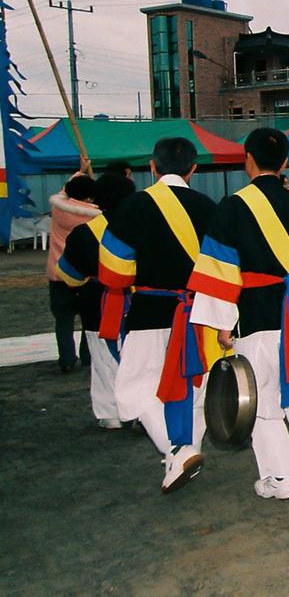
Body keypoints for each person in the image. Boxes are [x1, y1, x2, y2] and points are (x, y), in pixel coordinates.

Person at [189, 127, 289, 500]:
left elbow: (219, 273)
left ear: (248, 160)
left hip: (254, 314)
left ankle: (281, 480)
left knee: (263, 399)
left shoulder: (232, 207)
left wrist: (223, 326)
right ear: (285, 162)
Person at [99, 138, 216, 493]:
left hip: (150, 310)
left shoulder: (133, 206)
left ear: (152, 166)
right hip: (200, 312)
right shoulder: (209, 207)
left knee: (135, 389)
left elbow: (113, 274)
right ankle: (181, 454)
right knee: (194, 390)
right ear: (193, 169)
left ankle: (178, 451)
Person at [57, 173, 137, 428]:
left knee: (104, 359)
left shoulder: (84, 234)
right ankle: (140, 410)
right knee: (143, 359)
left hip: (97, 302)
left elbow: (69, 275)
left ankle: (111, 413)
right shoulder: (144, 228)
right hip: (140, 301)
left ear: (98, 200)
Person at [47, 165, 100, 373]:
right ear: (89, 197)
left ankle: (67, 359)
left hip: (58, 273)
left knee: (63, 320)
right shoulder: (95, 214)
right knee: (89, 320)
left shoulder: (58, 207)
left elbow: (64, 191)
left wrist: (80, 170)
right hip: (86, 275)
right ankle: (88, 357)